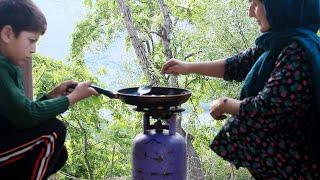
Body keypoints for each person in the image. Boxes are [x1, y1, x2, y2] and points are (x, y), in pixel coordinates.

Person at [161, 0, 320, 178]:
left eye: (256, 4)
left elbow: (268, 109)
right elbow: (236, 65)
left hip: (299, 168)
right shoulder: (279, 42)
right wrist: (187, 67)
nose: (250, 13)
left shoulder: (297, 51)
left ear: (280, 7)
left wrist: (226, 104)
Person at [0, 0, 99, 179]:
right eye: (31, 40)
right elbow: (27, 115)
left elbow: (21, 113)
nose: (34, 49)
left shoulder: (9, 66)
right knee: (54, 131)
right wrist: (72, 98)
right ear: (7, 34)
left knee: (60, 154)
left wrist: (53, 95)